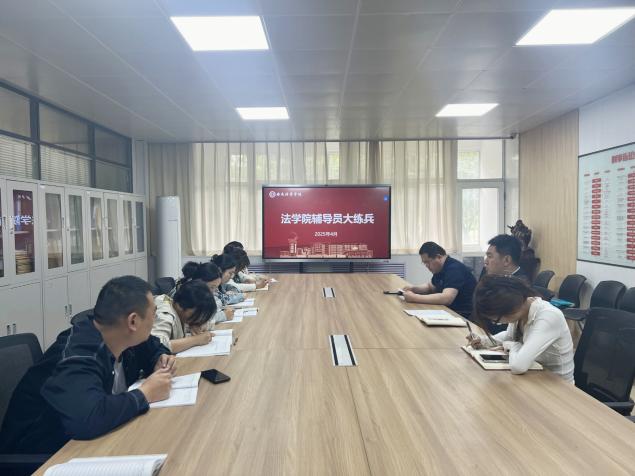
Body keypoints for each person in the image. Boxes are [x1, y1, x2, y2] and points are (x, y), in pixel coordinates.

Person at [0, 276, 175, 454]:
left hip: (90, 442)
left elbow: (153, 347)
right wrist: (144, 394)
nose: (155, 319)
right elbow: (87, 417)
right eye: (153, 314)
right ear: (133, 321)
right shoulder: (78, 355)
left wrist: (159, 358)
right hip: (43, 455)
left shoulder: (122, 336)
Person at [468, 275, 574, 383]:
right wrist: (483, 341)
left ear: (509, 310)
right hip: (534, 376)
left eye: (495, 319)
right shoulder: (521, 310)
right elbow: (508, 337)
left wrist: (512, 345)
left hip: (557, 385)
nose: (494, 322)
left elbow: (518, 366)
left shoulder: (549, 316)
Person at [402, 242, 477, 318]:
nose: (426, 266)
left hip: (463, 315)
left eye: (427, 262)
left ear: (438, 257)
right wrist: (414, 288)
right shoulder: (440, 268)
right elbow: (430, 287)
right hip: (450, 311)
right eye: (424, 263)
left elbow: (446, 298)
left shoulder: (454, 269)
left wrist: (414, 298)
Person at [152, 279, 217, 353]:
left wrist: (199, 325)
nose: (199, 319)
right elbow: (156, 346)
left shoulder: (177, 308)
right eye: (197, 314)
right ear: (181, 306)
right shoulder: (165, 315)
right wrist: (196, 340)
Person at [170, 261, 234, 323]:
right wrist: (223, 315)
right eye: (212, 287)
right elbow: (195, 319)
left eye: (216, 287)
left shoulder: (200, 293)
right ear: (199, 282)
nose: (214, 292)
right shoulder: (188, 295)